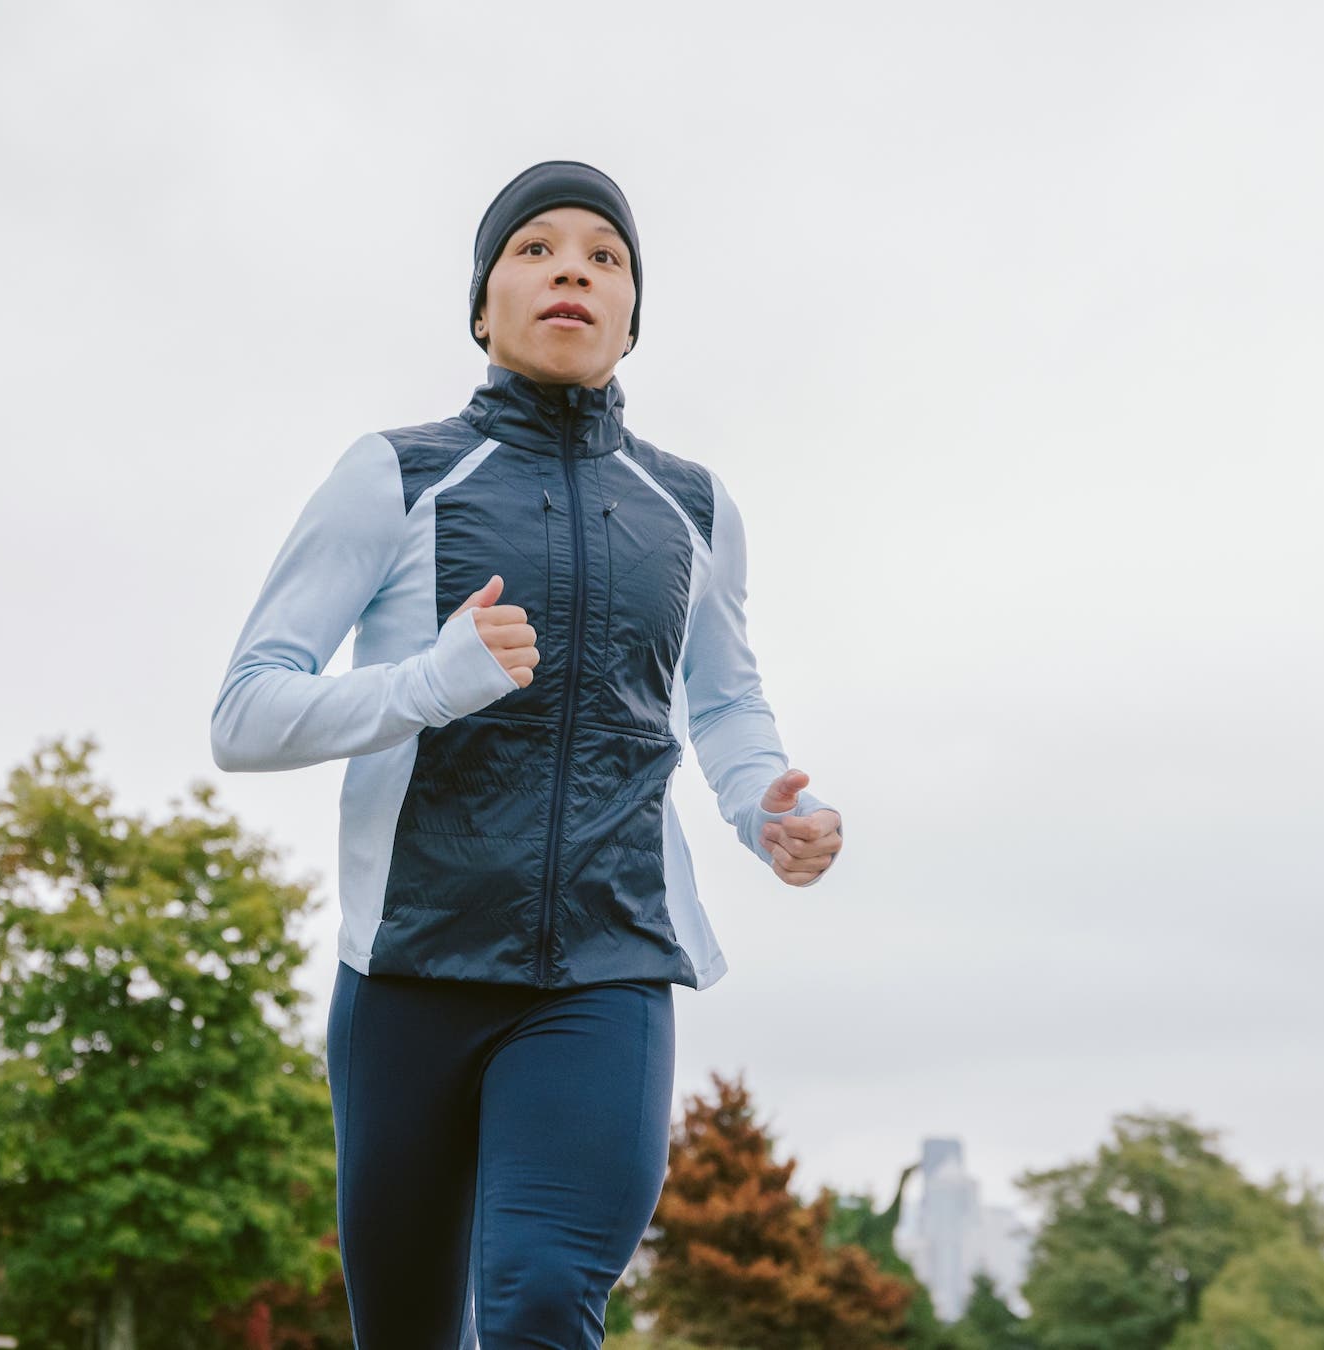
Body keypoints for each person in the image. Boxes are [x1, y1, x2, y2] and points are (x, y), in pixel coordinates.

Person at [209, 159, 844, 1349]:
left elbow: (725, 702)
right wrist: (428, 684)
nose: (572, 270)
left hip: (605, 970)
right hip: (407, 974)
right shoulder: (395, 475)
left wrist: (765, 802)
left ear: (631, 316)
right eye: (536, 248)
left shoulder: (693, 508)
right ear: (484, 304)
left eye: (605, 257)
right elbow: (246, 713)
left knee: (545, 1297)